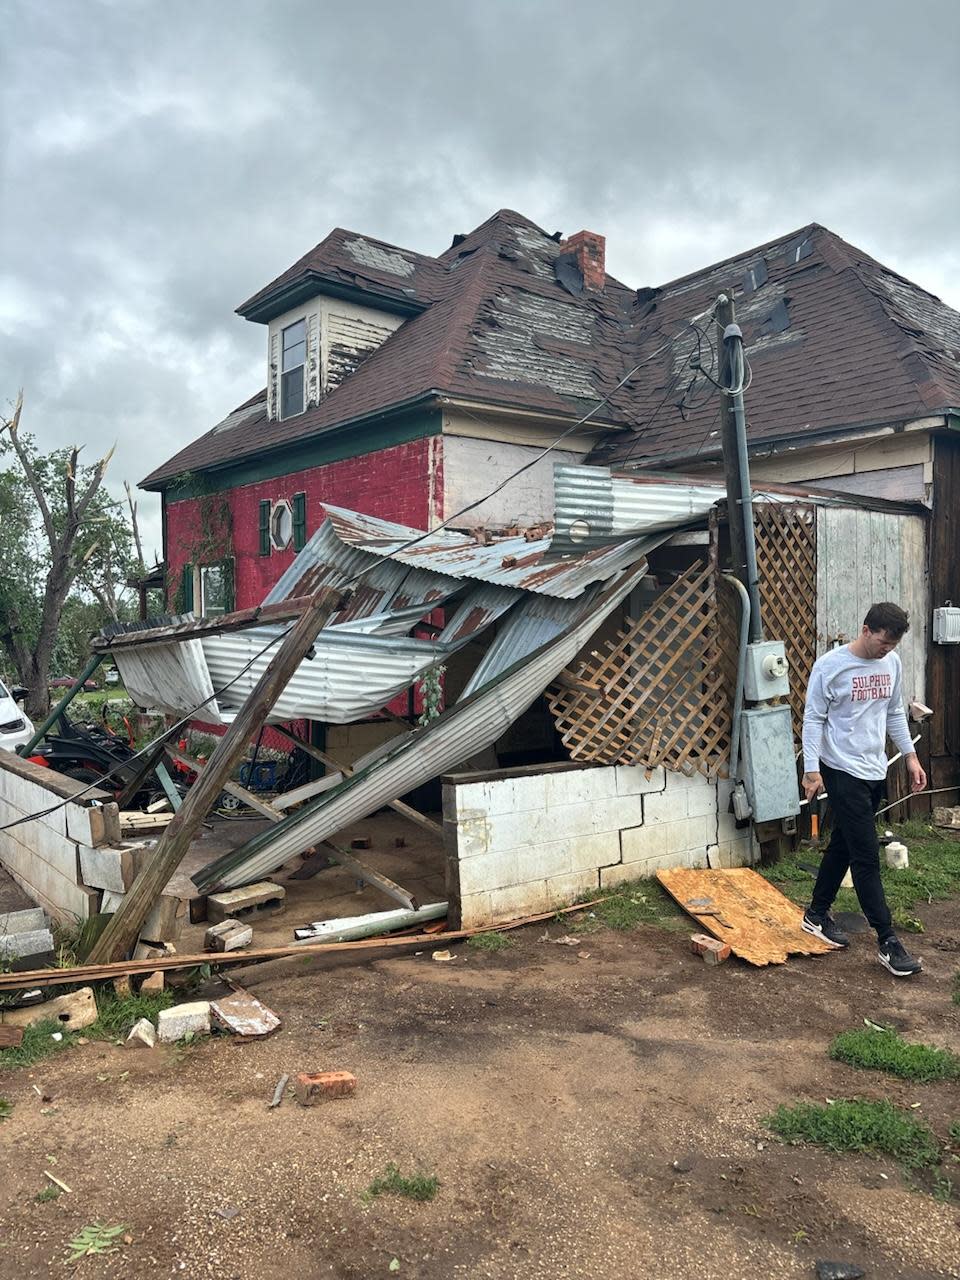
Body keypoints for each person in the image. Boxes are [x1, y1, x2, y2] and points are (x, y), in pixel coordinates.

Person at [800, 602, 926, 977]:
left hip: (873, 769)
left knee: (845, 842)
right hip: (840, 769)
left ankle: (816, 914)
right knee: (866, 855)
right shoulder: (830, 667)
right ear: (866, 629)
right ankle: (888, 940)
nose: (885, 651)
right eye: (882, 643)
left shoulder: (892, 664)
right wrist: (811, 771)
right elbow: (813, 719)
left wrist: (910, 756)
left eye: (892, 645)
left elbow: (891, 713)